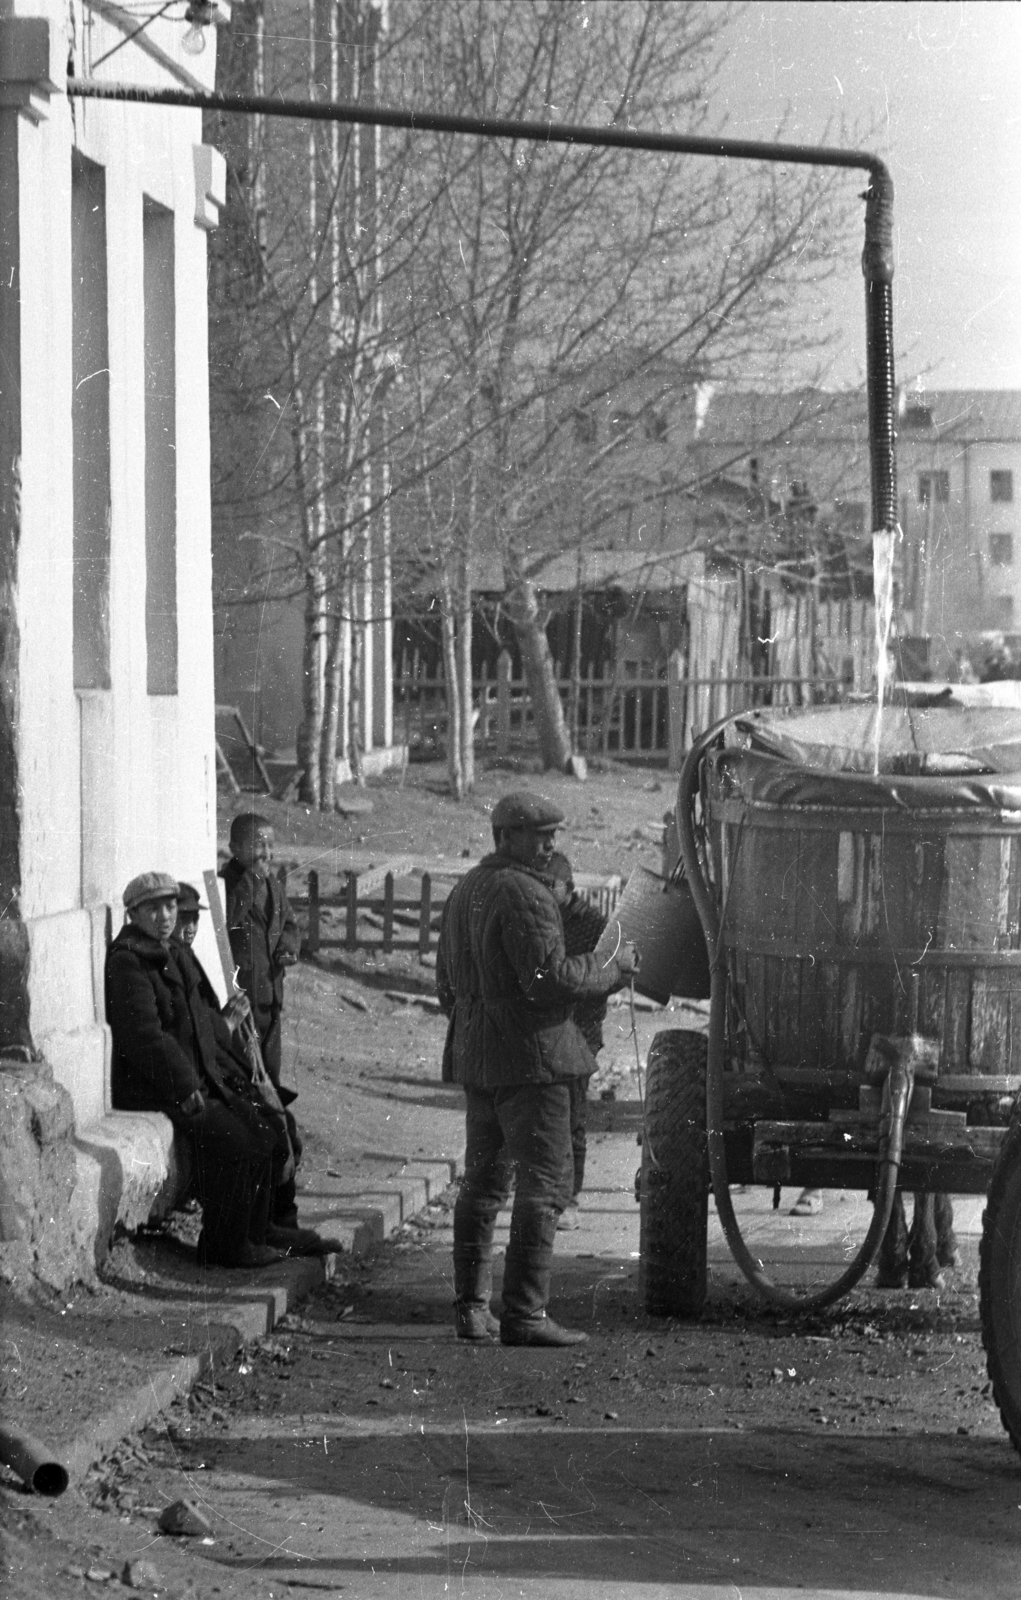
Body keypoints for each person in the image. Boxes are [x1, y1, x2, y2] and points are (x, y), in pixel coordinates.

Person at [437, 792, 638, 1348]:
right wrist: (611, 970)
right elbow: (548, 979)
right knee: (544, 1185)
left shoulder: (465, 890)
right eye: (538, 835)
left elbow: (444, 988)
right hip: (533, 1062)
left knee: (481, 1187)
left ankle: (472, 1311)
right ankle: (525, 1312)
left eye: (554, 833)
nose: (550, 844)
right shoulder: (524, 892)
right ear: (505, 838)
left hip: (479, 1061)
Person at [106, 872, 286, 1270]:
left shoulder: (168, 951)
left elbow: (199, 1023)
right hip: (158, 1088)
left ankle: (250, 1237)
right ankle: (225, 1247)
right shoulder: (130, 962)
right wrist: (188, 1085)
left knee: (262, 1130)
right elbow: (145, 1039)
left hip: (193, 1078)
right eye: (153, 908)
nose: (166, 915)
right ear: (133, 914)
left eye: (170, 906)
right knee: (238, 1143)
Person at [173, 882, 330, 1257]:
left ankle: (275, 1226)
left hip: (214, 1066)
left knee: (282, 1123)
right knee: (259, 1128)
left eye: (193, 919)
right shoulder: (166, 962)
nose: (189, 927)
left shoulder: (183, 956)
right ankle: (246, 1238)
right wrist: (225, 1024)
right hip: (195, 1079)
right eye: (182, 919)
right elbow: (184, 1031)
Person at [544, 851, 608, 1231]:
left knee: (573, 1116)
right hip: (544, 1029)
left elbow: (604, 976)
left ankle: (571, 1199)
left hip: (581, 1030)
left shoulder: (593, 924)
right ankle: (547, 1193)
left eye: (551, 886)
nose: (545, 893)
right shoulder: (537, 918)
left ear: (568, 888)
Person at [220, 815, 300, 1090]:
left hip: (272, 993)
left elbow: (289, 923)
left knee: (271, 1069)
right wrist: (250, 882)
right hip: (243, 997)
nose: (267, 853)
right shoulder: (228, 884)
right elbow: (228, 917)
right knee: (246, 1071)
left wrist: (288, 947)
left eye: (270, 845)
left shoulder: (273, 886)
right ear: (234, 848)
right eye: (258, 845)